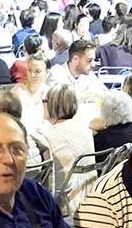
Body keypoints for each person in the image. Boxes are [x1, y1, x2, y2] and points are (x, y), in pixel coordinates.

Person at [37, 83, 96, 212]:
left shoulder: (47, 136)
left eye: (44, 101)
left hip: (64, 204)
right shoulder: (85, 130)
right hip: (90, 197)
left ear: (52, 104)